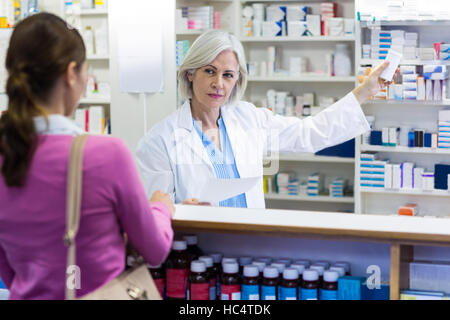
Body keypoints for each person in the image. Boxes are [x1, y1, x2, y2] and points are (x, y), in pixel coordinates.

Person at [0, 13, 175, 300]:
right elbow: (154, 251)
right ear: (71, 74)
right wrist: (160, 208)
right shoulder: (106, 154)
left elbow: (9, 271)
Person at [136, 30, 392, 209]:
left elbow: (308, 134)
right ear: (191, 73)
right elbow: (156, 215)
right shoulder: (158, 141)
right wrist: (184, 208)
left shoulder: (249, 119)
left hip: (249, 247)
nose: (218, 84)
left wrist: (364, 92)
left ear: (237, 79)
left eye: (228, 75)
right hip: (199, 252)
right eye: (209, 71)